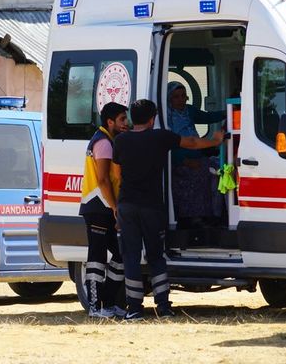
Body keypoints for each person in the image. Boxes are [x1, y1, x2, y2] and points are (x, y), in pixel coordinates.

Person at [113, 99, 223, 320]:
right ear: (152, 119)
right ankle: (163, 307)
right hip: (152, 206)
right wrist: (215, 140)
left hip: (127, 205)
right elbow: (191, 142)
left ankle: (134, 308)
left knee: (131, 256)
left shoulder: (121, 141)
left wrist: (117, 209)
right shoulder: (160, 137)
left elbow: (116, 176)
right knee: (156, 256)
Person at [79, 102, 129, 318]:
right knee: (97, 258)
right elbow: (102, 179)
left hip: (103, 207)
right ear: (110, 122)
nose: (126, 123)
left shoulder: (106, 140)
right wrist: (115, 207)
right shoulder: (104, 143)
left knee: (120, 255)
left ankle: (107, 302)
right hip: (98, 207)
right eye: (122, 119)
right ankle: (95, 306)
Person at [167, 81, 226, 228]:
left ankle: (215, 215)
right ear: (169, 99)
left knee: (219, 171)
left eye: (183, 96)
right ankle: (192, 218)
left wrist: (227, 112)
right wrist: (184, 161)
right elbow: (169, 146)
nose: (180, 100)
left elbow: (207, 118)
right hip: (180, 161)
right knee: (199, 175)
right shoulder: (167, 117)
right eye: (176, 97)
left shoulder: (189, 111)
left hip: (197, 155)